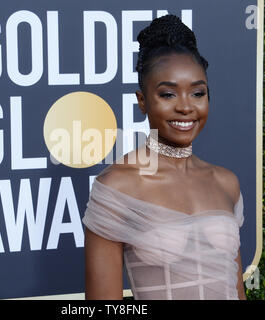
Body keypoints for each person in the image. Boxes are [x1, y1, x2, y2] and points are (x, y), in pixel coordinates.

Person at [82, 14, 246, 300]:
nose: (186, 107)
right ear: (142, 101)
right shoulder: (116, 187)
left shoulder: (226, 182)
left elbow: (237, 291)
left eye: (197, 93)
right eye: (168, 94)